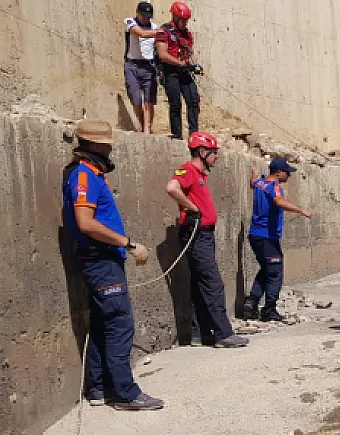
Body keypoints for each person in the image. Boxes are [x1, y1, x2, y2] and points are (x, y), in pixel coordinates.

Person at [62, 120, 164, 410]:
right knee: (119, 324)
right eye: (106, 145)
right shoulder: (84, 176)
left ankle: (98, 388)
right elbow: (85, 222)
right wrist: (127, 243)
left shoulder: (89, 173)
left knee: (102, 323)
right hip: (101, 261)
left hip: (101, 260)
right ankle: (125, 393)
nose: (109, 149)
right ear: (95, 145)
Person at [165, 131, 248, 348]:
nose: (216, 157)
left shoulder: (200, 175)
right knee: (212, 284)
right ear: (202, 152)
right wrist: (193, 208)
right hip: (196, 235)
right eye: (213, 153)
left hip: (202, 234)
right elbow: (171, 187)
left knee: (199, 284)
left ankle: (198, 333)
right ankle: (223, 334)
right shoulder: (189, 170)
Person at [242, 157, 313, 322]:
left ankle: (251, 303)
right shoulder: (275, 187)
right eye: (287, 172)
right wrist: (301, 210)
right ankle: (269, 310)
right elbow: (278, 201)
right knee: (275, 272)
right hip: (267, 236)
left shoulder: (260, 183)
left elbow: (253, 182)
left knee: (266, 268)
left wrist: (254, 173)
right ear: (279, 173)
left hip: (255, 235)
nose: (289, 175)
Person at [156, 1, 202, 140]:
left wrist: (195, 65)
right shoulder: (163, 31)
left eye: (186, 20)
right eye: (182, 20)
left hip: (185, 71)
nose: (184, 23)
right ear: (175, 17)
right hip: (170, 71)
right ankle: (177, 134)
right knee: (175, 102)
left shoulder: (187, 34)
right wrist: (181, 64)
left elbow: (189, 53)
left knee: (193, 100)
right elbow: (162, 54)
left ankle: (194, 134)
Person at [123, 2, 159, 134]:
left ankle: (147, 130)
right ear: (137, 13)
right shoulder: (130, 22)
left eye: (148, 17)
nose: (146, 19)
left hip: (148, 66)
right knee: (136, 99)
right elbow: (140, 33)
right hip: (132, 65)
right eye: (143, 16)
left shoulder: (155, 27)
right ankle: (144, 124)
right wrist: (160, 33)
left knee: (149, 100)